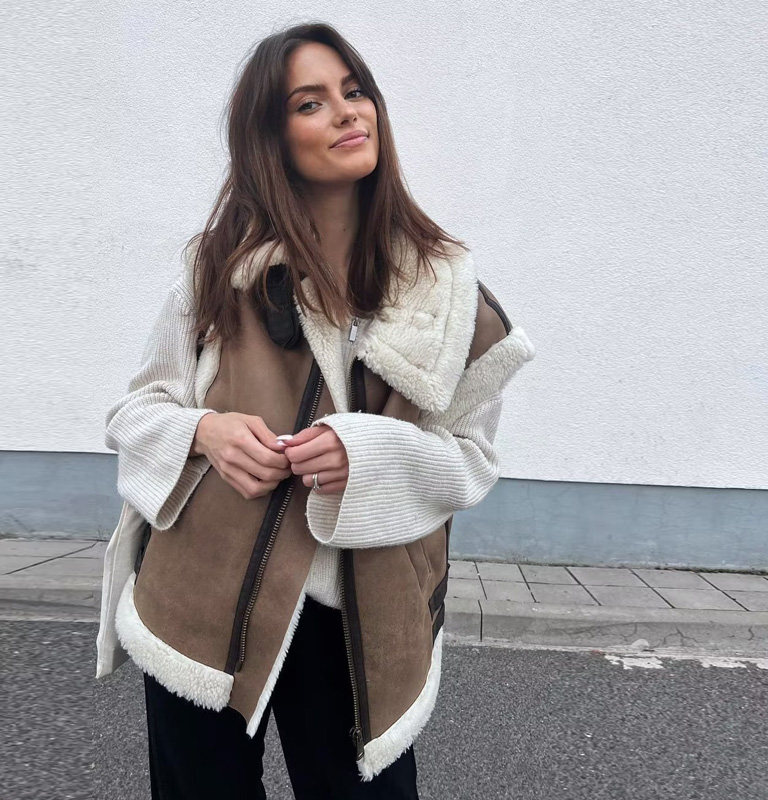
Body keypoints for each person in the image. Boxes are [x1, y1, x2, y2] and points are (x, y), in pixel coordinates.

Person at [96, 20, 536, 800]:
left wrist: (369, 456)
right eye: (310, 102)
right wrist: (205, 431)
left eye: (354, 91)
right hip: (201, 599)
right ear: (271, 138)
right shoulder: (216, 269)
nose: (345, 112)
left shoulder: (447, 293)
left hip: (358, 616)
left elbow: (471, 459)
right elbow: (137, 411)